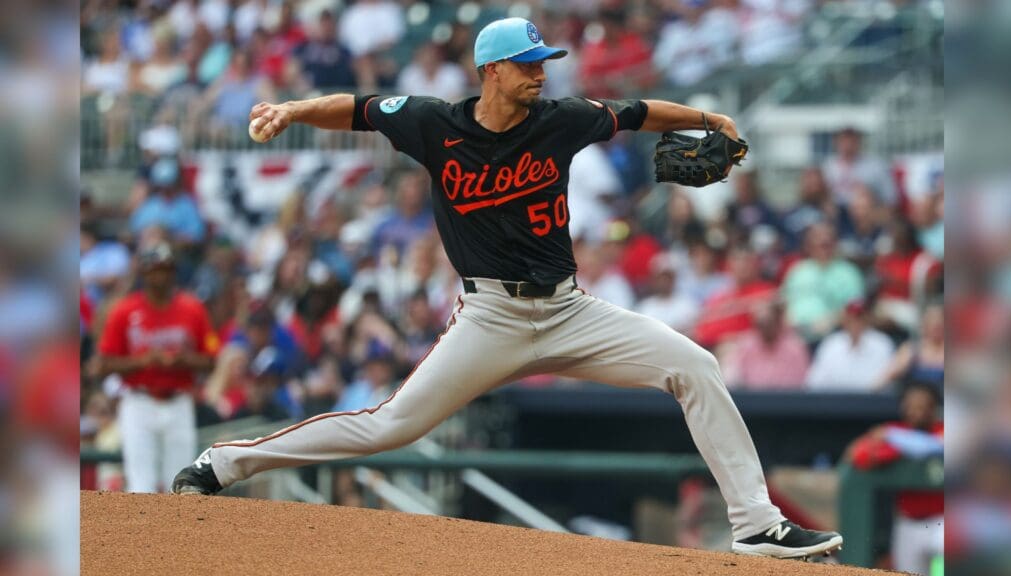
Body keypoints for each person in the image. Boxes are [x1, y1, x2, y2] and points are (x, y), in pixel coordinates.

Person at [173, 16, 841, 559]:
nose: (540, 72)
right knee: (391, 426)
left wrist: (708, 119)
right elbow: (355, 110)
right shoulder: (434, 122)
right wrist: (291, 109)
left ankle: (756, 524)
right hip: (490, 316)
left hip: (569, 310)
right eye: (527, 63)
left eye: (542, 61)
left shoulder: (563, 118)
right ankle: (228, 462)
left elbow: (638, 113)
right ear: (490, 71)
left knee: (695, 365)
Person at [97, 243, 219, 492]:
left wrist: (182, 360)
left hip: (179, 401)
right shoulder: (125, 311)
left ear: (174, 272)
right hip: (138, 401)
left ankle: (178, 532)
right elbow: (103, 363)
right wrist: (142, 361)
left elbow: (211, 359)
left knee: (182, 483)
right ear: (144, 273)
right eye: (154, 270)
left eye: (165, 269)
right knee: (141, 486)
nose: (160, 275)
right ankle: (143, 533)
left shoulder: (192, 308)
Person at [845, 382, 944, 575]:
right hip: (907, 522)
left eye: (922, 406)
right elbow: (859, 455)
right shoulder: (895, 429)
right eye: (911, 406)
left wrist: (894, 438)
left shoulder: (938, 429)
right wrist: (893, 443)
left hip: (941, 522)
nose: (916, 412)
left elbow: (934, 446)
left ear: (934, 408)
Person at [806, 299, 895, 392]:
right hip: (834, 403)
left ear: (868, 319)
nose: (855, 323)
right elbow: (814, 384)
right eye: (851, 318)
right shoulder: (831, 344)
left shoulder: (882, 344)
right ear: (844, 320)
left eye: (860, 318)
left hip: (872, 404)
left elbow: (888, 386)